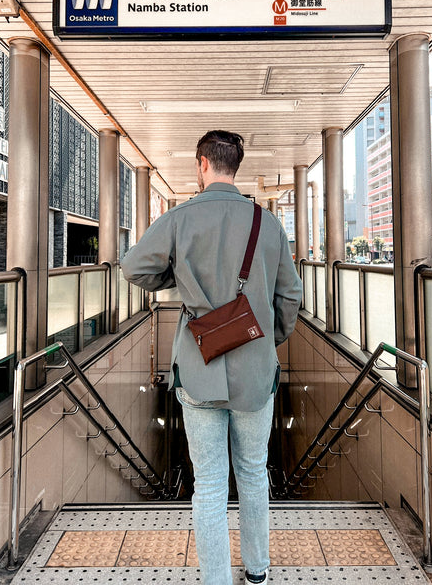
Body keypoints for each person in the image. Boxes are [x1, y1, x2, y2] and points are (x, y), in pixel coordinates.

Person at [121, 130, 302, 585]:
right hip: (255, 375)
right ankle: (257, 572)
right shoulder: (267, 223)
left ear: (202, 164)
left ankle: (216, 579)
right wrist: (263, 340)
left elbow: (134, 267)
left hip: (199, 370)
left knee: (210, 487)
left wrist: (179, 279)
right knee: (255, 475)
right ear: (234, 166)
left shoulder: (180, 218)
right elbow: (291, 298)